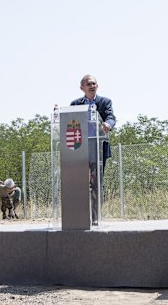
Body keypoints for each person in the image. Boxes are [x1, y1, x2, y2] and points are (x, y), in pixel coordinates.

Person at [70, 74, 116, 226]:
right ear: (81, 87)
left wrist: (108, 124)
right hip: (79, 148)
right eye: (88, 84)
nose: (92, 86)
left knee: (96, 183)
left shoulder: (104, 102)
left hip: (98, 148)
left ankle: (95, 217)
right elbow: (69, 122)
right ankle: (80, 216)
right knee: (80, 184)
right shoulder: (75, 104)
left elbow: (110, 116)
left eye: (94, 83)